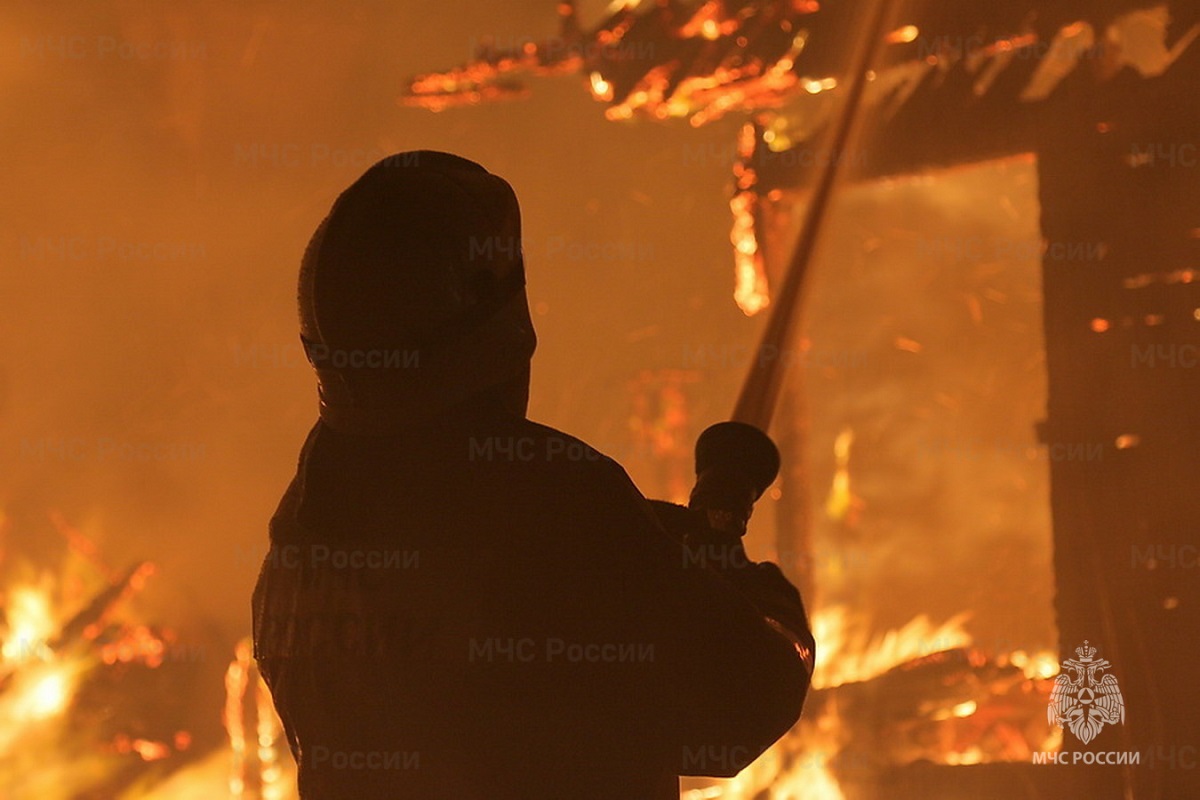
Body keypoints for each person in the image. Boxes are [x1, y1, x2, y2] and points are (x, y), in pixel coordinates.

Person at [252, 151, 815, 799]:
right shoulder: (551, 502)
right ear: (494, 321)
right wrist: (747, 588)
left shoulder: (299, 537)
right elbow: (745, 701)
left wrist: (659, 550)